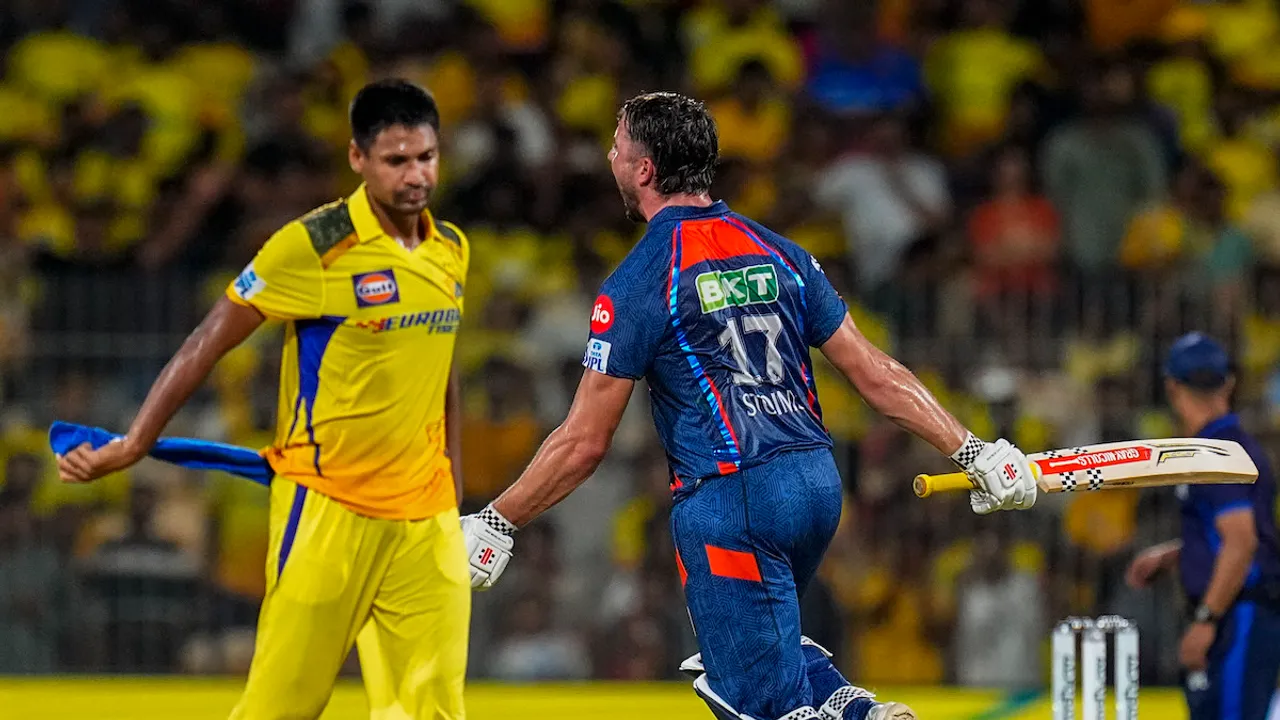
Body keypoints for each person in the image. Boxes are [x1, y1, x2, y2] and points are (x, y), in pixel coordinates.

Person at [459, 91, 1039, 720]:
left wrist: (498, 521)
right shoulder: (782, 253)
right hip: (816, 487)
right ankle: (858, 713)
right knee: (763, 652)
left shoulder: (639, 280)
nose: (609, 158)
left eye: (618, 147)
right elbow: (874, 372)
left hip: (733, 501)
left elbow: (584, 441)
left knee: (756, 701)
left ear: (645, 169)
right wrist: (975, 451)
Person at [56, 79, 472, 720]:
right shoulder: (314, 246)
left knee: (432, 710)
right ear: (358, 158)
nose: (416, 176)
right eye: (397, 160)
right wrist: (136, 442)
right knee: (282, 708)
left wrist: (456, 504)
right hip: (328, 511)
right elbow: (205, 341)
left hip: (426, 521)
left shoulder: (451, 249)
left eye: (426, 157)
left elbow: (443, 377)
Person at [1126, 332, 1280, 720]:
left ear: (1171, 386)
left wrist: (1205, 621)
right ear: (1227, 382)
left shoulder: (1217, 452)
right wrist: (1179, 553)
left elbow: (1242, 543)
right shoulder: (1223, 445)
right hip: (1236, 608)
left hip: (1238, 614)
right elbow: (1238, 533)